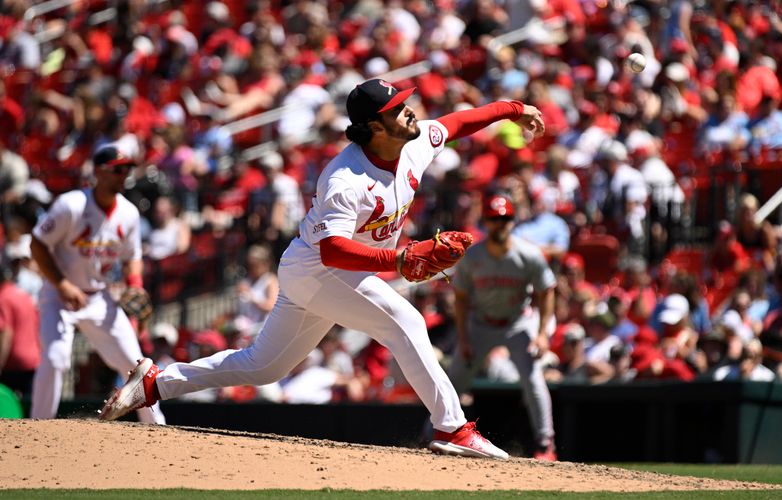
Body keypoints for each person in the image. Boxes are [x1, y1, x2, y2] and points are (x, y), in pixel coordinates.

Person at [100, 79, 546, 460]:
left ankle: (157, 383)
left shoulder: (412, 145)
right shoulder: (344, 179)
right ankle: (453, 429)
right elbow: (334, 250)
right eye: (396, 109)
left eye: (404, 102)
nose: (409, 111)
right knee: (405, 322)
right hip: (320, 268)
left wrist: (515, 110)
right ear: (374, 127)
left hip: (323, 271)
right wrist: (399, 258)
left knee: (263, 366)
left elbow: (459, 122)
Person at [29, 144, 165, 424]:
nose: (124, 175)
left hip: (99, 297)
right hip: (59, 294)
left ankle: (158, 427)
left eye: (127, 169)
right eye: (117, 169)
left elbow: (132, 258)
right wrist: (63, 285)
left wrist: (135, 285)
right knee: (55, 359)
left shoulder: (128, 213)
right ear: (98, 173)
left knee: (135, 363)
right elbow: (38, 245)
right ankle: (38, 428)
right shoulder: (72, 205)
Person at [449, 195, 558, 460]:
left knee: (533, 380)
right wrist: (463, 338)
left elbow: (547, 290)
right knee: (454, 381)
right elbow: (461, 298)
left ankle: (545, 443)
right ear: (485, 222)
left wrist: (542, 334)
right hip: (481, 323)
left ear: (513, 221)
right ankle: (432, 432)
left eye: (505, 219)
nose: (501, 224)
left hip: (517, 323)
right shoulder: (473, 257)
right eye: (495, 219)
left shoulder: (528, 253)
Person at [0, 261, 41, 398]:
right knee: (30, 407)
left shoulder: (3, 298)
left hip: (13, 362)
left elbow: (5, 333)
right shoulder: (24, 295)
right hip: (33, 359)